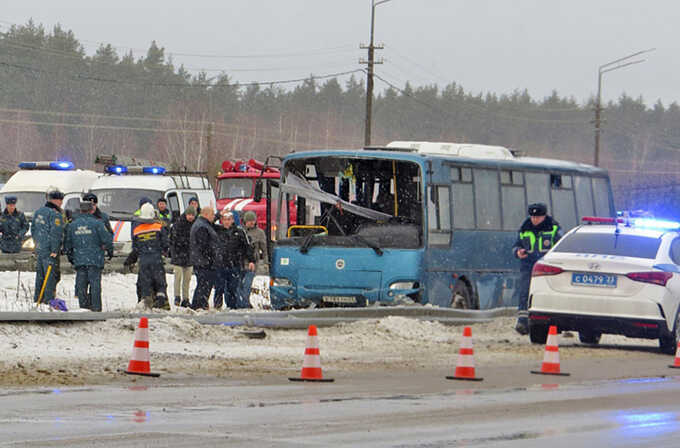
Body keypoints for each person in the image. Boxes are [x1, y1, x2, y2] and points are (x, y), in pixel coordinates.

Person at [512, 202, 561, 335]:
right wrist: (518, 251)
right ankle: (522, 322)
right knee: (524, 292)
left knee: (547, 293)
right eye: (533, 217)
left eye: (538, 217)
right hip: (527, 266)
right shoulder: (524, 228)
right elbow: (516, 245)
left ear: (544, 216)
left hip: (547, 268)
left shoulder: (553, 229)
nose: (534, 220)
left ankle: (552, 323)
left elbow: (559, 247)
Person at [63, 201, 113, 311]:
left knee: (81, 286)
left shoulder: (72, 225)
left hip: (80, 260)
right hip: (95, 260)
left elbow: (68, 244)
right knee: (95, 286)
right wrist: (110, 251)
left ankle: (84, 309)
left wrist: (71, 258)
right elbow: (107, 239)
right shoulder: (97, 224)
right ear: (91, 210)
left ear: (80, 210)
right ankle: (96, 309)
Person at [131, 202, 170, 310]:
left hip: (143, 261)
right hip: (156, 259)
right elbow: (166, 243)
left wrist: (130, 261)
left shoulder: (137, 230)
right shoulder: (158, 227)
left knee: (145, 283)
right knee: (160, 281)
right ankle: (161, 298)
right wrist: (162, 251)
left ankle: (146, 301)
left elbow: (135, 248)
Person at [214, 210, 255, 309]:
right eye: (224, 220)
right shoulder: (217, 230)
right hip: (220, 264)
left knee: (232, 288)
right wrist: (218, 215)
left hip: (234, 264)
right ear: (221, 221)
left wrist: (251, 260)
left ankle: (232, 307)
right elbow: (209, 222)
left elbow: (247, 247)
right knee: (219, 288)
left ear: (232, 220)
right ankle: (217, 307)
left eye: (229, 219)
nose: (227, 222)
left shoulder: (239, 232)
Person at [31, 189, 66, 304]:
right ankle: (48, 301)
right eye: (60, 200)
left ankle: (38, 299)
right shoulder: (55, 214)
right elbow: (56, 233)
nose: (61, 203)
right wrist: (55, 249)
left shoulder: (38, 212)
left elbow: (34, 230)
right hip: (50, 251)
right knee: (51, 277)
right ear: (56, 200)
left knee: (40, 276)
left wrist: (38, 244)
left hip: (40, 249)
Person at [190, 206, 217, 310]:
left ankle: (200, 304)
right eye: (212, 214)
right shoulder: (202, 227)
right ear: (206, 214)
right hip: (204, 262)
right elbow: (204, 246)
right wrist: (212, 257)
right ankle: (198, 305)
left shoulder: (202, 224)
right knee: (203, 285)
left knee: (203, 285)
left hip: (202, 261)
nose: (214, 217)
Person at [169, 205, 196, 308]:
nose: (190, 217)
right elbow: (174, 240)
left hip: (189, 256)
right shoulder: (178, 224)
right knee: (178, 277)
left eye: (192, 215)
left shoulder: (194, 225)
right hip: (178, 255)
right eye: (189, 214)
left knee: (187, 279)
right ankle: (177, 296)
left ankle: (186, 298)